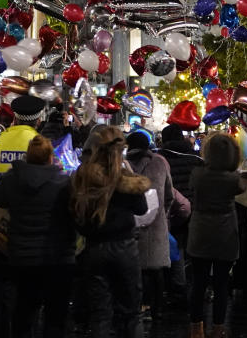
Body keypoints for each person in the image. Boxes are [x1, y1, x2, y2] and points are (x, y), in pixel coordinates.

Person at [0, 133, 75, 338]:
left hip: (22, 256)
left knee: (24, 311)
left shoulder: (13, 178)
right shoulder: (64, 181)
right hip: (58, 256)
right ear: (50, 157)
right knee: (56, 315)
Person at [71, 126, 150, 338]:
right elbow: (141, 208)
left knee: (100, 313)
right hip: (125, 248)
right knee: (131, 312)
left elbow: (74, 213)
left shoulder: (83, 176)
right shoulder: (124, 177)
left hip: (94, 248)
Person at [188, 132, 247, 338]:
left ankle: (196, 328)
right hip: (225, 233)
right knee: (222, 284)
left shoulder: (197, 174)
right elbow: (242, 188)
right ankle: (218, 328)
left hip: (200, 231)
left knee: (198, 283)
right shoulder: (233, 179)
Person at [126, 130, 174, 318]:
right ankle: (157, 309)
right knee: (156, 271)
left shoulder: (123, 164)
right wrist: (162, 213)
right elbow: (170, 195)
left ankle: (137, 308)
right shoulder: (160, 163)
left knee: (134, 272)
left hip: (129, 226)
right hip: (156, 227)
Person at [0, 98, 41, 185]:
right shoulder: (40, 142)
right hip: (30, 196)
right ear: (38, 122)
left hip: (0, 195)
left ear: (15, 119)